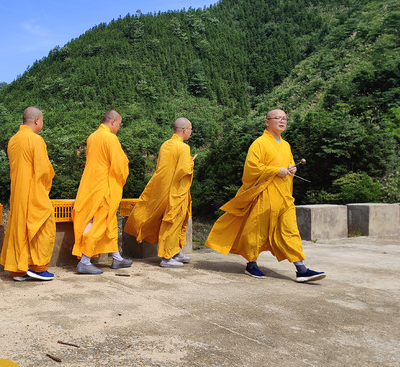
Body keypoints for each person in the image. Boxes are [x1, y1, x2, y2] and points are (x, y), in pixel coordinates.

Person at [205, 109, 325, 283]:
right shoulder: (259, 143)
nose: (282, 121)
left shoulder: (286, 145)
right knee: (256, 230)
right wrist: (275, 170)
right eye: (278, 118)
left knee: (290, 230)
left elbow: (288, 163)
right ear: (267, 122)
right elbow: (251, 168)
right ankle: (251, 263)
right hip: (264, 194)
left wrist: (292, 168)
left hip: (284, 196)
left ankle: (301, 269)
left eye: (285, 118)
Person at [124, 118, 197, 268]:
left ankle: (175, 251)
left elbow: (164, 167)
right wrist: (191, 163)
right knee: (173, 221)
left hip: (162, 188)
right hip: (176, 191)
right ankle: (167, 257)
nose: (191, 132)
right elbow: (183, 171)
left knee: (173, 220)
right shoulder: (184, 148)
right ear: (184, 130)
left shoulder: (165, 145)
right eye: (190, 129)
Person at [0, 106, 56, 282]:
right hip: (33, 192)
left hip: (17, 192)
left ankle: (19, 270)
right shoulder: (35, 140)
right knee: (44, 226)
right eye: (42, 121)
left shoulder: (13, 140)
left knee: (20, 229)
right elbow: (44, 170)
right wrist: (46, 187)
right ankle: (38, 267)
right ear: (37, 120)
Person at [72, 110, 131, 274]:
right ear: (113, 121)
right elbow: (119, 166)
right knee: (100, 223)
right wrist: (124, 174)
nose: (119, 128)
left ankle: (116, 257)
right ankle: (85, 260)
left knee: (109, 222)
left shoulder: (92, 137)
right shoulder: (110, 138)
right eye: (119, 124)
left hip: (91, 185)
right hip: (104, 188)